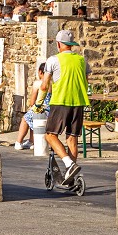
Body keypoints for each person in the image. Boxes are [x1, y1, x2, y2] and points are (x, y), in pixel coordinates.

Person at [41, 28, 91, 183]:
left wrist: (38, 103)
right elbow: (85, 81)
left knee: (50, 135)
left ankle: (69, 164)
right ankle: (72, 177)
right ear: (71, 44)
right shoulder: (82, 60)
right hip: (79, 102)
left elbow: (44, 85)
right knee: (72, 138)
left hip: (60, 101)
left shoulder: (53, 60)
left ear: (59, 44)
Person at [11, 63, 50, 150]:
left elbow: (32, 102)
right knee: (32, 116)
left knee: (25, 118)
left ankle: (19, 142)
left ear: (40, 72)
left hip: (42, 108)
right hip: (51, 110)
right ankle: (31, 141)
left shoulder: (38, 83)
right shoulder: (53, 84)